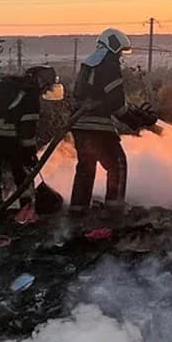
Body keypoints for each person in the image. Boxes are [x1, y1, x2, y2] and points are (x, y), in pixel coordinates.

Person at [0, 64, 56, 213]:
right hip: (7, 140)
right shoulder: (30, 96)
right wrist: (30, 155)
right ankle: (26, 210)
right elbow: (27, 133)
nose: (46, 91)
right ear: (40, 82)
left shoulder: (2, 84)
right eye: (47, 87)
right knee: (23, 174)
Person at [69, 27, 132, 214]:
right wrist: (135, 119)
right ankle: (114, 209)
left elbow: (87, 96)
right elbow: (116, 103)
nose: (120, 55)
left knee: (85, 168)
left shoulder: (88, 65)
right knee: (117, 164)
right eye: (120, 51)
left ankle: (77, 210)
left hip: (80, 126)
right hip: (99, 127)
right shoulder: (109, 65)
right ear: (113, 47)